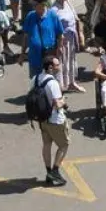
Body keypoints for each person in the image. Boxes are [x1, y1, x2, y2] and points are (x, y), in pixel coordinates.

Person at [33, 55, 69, 186]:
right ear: (50, 67)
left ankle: (48, 171)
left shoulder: (36, 78)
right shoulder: (52, 83)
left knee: (47, 144)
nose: (59, 66)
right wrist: (64, 101)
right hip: (55, 120)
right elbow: (58, 104)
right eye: (57, 65)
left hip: (42, 119)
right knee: (64, 145)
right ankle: (55, 170)